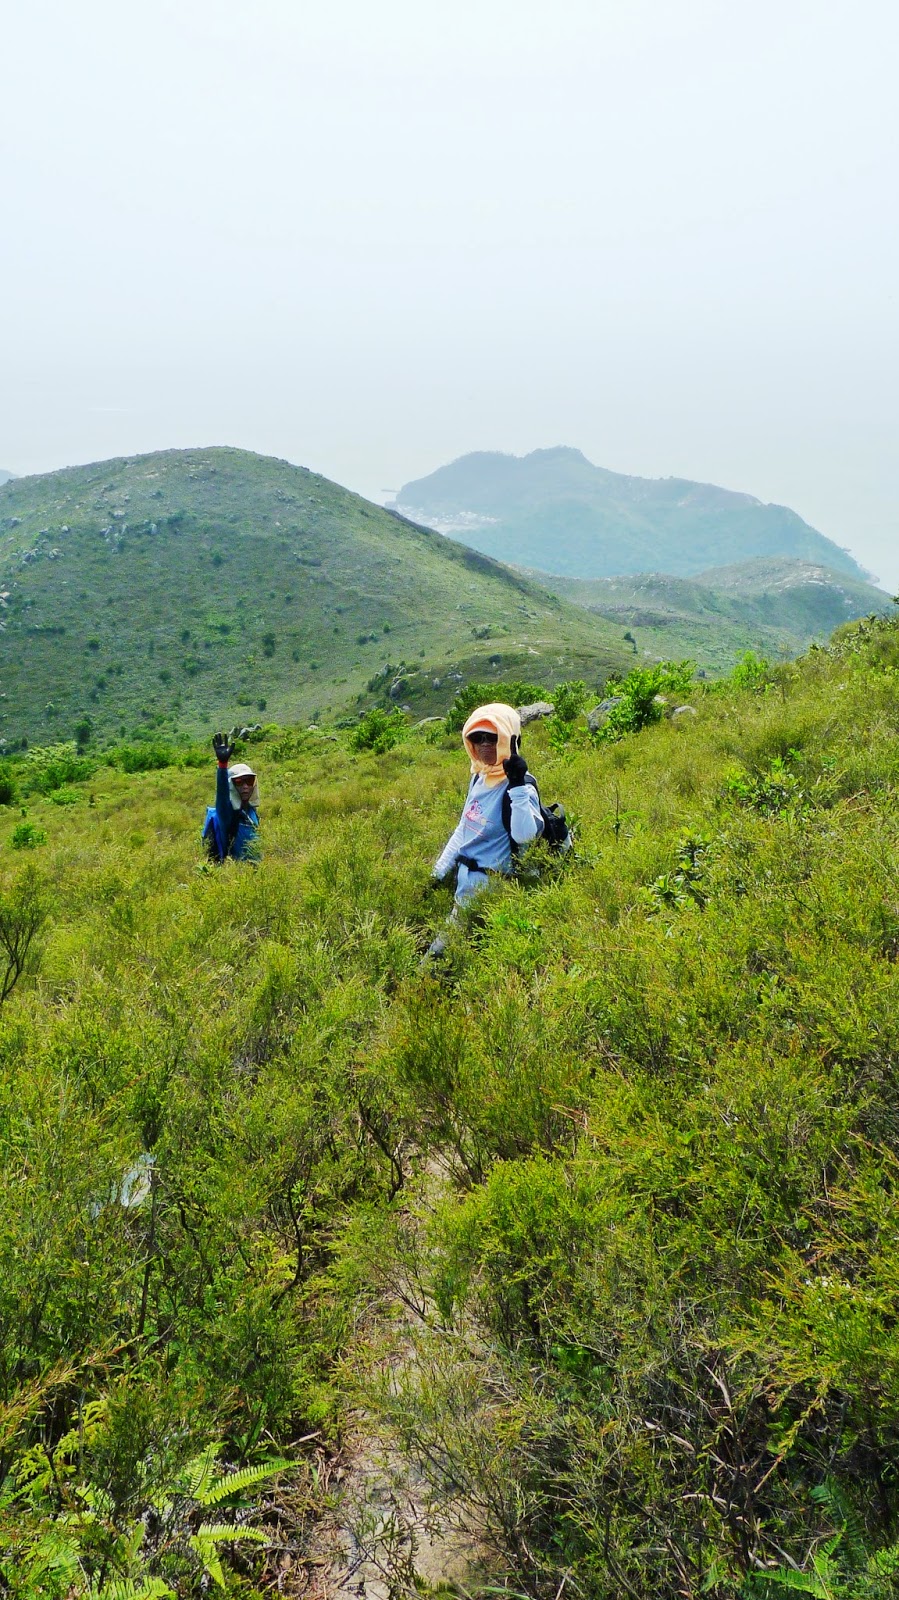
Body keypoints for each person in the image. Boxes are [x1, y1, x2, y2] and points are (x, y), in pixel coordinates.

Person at [429, 704, 543, 939]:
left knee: (447, 950)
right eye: (477, 737)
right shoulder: (479, 778)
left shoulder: (521, 786)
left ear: (509, 738)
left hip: (496, 894)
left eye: (492, 738)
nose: (484, 744)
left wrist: (517, 787)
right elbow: (464, 828)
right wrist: (437, 874)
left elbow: (525, 837)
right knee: (447, 950)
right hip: (465, 889)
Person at [205, 733, 261, 862]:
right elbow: (222, 796)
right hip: (237, 871)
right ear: (231, 785)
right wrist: (222, 765)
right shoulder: (227, 813)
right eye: (239, 782)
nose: (245, 786)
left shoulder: (251, 811)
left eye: (249, 781)